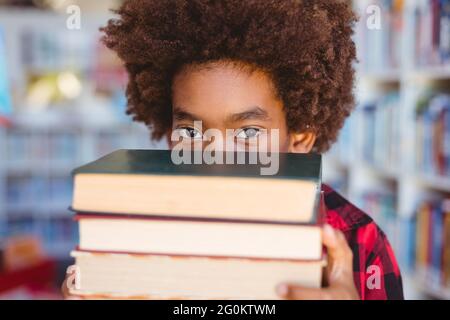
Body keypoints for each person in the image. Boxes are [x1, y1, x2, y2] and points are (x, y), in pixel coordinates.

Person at [64, 0, 403, 300]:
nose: (216, 157)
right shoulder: (134, 234)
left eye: (249, 132)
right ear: (169, 136)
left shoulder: (359, 243)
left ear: (299, 139)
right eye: (190, 131)